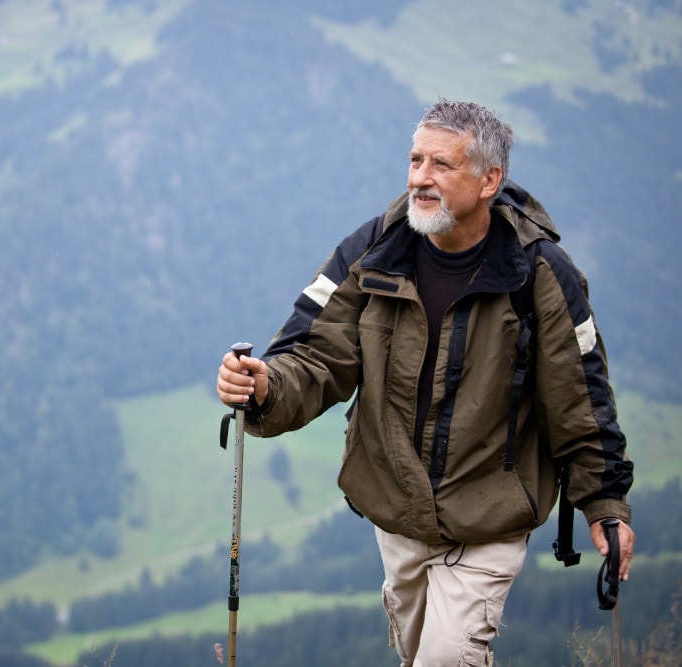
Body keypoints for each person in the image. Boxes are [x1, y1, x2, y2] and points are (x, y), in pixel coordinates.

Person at [216, 99, 635, 666]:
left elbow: (581, 394)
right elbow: (313, 353)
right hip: (397, 516)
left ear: (490, 180)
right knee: (417, 656)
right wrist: (265, 385)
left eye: (442, 165)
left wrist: (604, 499)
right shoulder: (373, 252)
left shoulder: (539, 273)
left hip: (490, 518)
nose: (421, 177)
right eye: (416, 160)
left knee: (444, 660)